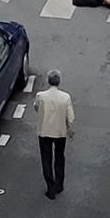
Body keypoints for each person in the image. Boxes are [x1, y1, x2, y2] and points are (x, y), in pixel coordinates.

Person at [33, 70, 76, 200]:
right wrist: (69, 128)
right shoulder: (65, 97)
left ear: (48, 80)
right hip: (60, 132)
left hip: (44, 131)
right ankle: (59, 184)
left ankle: (50, 188)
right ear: (59, 81)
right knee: (59, 157)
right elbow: (71, 117)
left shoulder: (41, 96)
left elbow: (36, 107)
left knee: (46, 159)